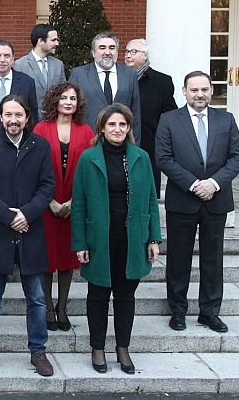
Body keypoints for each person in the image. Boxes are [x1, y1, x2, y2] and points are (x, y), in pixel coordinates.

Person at [0, 95, 56, 377]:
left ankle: (38, 351)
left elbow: (47, 186)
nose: (13, 120)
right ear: (1, 116)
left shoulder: (40, 146)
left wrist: (26, 214)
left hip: (31, 231)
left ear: (27, 117)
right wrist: (9, 217)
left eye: (19, 115)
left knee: (37, 299)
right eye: (8, 115)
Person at [71, 103, 161, 374]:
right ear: (102, 128)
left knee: (125, 296)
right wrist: (80, 243)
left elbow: (150, 200)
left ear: (129, 128)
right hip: (99, 238)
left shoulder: (141, 157)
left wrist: (154, 238)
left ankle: (123, 348)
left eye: (123, 124)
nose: (118, 129)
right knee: (97, 295)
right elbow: (79, 203)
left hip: (132, 238)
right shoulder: (89, 158)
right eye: (112, 124)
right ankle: (97, 348)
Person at [156, 71, 239, 334]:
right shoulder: (169, 120)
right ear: (184, 91)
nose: (199, 94)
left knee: (213, 259)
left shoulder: (225, 120)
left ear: (212, 91)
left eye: (204, 89)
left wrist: (213, 183)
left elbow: (236, 158)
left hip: (216, 200)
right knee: (178, 259)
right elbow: (163, 157)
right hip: (183, 199)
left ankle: (209, 312)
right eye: (194, 90)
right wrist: (195, 184)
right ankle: (178, 311)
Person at [32, 82, 94, 332]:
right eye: (64, 98)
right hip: (46, 203)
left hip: (74, 204)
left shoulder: (87, 130)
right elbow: (33, 168)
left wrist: (72, 202)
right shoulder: (40, 128)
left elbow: (89, 171)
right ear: (54, 101)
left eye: (73, 99)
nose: (68, 102)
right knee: (47, 258)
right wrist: (50, 201)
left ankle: (62, 307)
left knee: (68, 258)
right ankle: (47, 306)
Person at [123, 38, 178, 195]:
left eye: (134, 52)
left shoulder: (162, 81)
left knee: (147, 191)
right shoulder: (118, 77)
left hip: (150, 142)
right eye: (127, 51)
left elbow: (169, 113)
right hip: (121, 137)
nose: (128, 55)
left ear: (145, 55)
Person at [68, 32, 141, 142]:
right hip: (88, 141)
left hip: (121, 142)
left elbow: (135, 112)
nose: (107, 52)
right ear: (93, 52)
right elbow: (71, 112)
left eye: (112, 48)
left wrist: (134, 145)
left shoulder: (130, 74)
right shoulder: (78, 74)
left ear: (116, 51)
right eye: (102, 48)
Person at [13, 24, 66, 110]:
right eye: (53, 40)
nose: (57, 43)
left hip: (54, 118)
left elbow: (64, 92)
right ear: (40, 41)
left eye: (57, 40)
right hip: (31, 119)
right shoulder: (19, 65)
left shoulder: (58, 65)